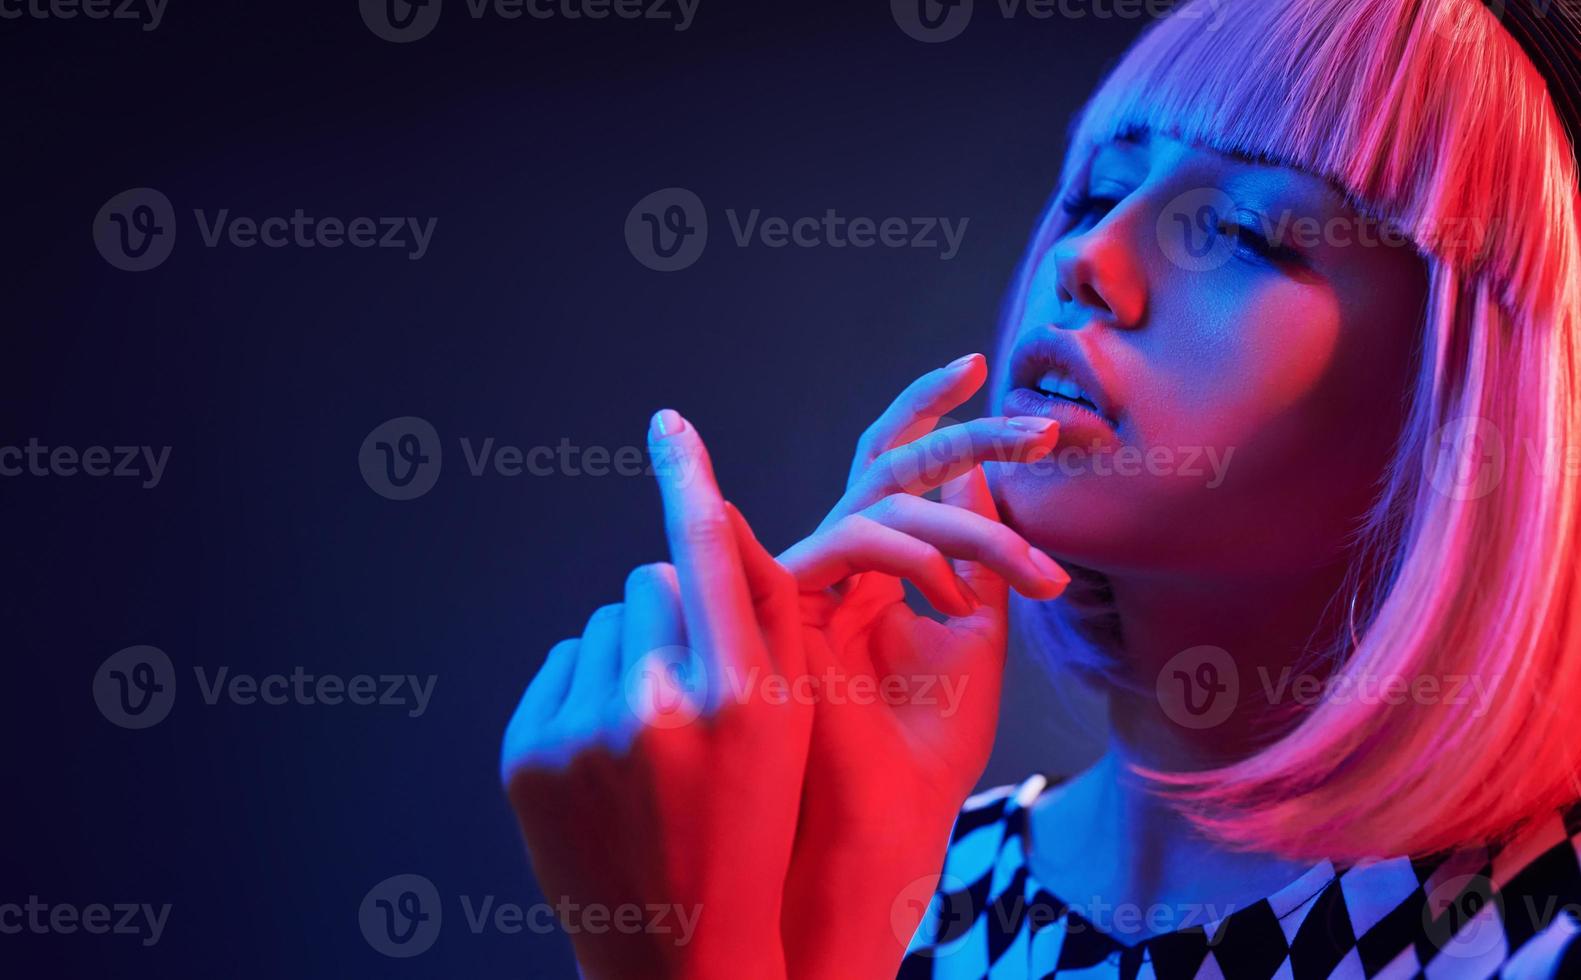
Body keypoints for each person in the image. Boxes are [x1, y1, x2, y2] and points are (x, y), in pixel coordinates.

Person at [499, 0, 1581, 976]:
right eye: (1100, 190)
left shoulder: (1536, 933)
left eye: (1238, 229)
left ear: (1464, 395)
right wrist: (833, 897)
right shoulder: (921, 887)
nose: (1092, 256)